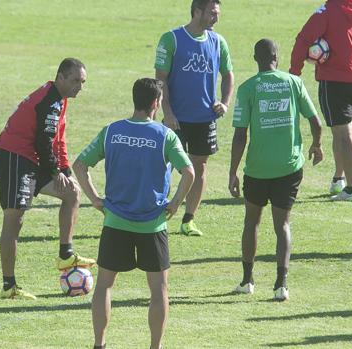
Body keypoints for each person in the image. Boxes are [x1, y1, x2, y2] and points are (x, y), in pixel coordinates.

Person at [73, 78, 195, 349]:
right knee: (159, 289)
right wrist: (175, 203)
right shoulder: (165, 136)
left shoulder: (112, 131)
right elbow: (189, 172)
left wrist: (95, 199)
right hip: (153, 225)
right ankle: (155, 346)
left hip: (115, 221)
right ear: (155, 103)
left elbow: (79, 165)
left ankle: (99, 344)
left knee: (104, 284)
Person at [0, 58, 96, 299]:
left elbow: (58, 140)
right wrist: (54, 171)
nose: (78, 87)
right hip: (15, 159)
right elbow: (43, 141)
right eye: (74, 81)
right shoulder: (49, 101)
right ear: (60, 77)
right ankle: (9, 286)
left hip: (32, 159)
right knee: (14, 219)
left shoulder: (59, 100)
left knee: (72, 193)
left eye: (82, 82)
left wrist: (66, 172)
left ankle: (66, 254)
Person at [229, 39, 323, 301]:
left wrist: (232, 172)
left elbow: (240, 135)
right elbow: (316, 122)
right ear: (276, 58)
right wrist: (317, 146)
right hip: (288, 168)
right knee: (282, 224)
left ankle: (247, 281)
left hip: (257, 169)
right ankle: (281, 284)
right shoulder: (294, 83)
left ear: (255, 58)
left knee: (252, 222)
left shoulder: (248, 88)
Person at [290, 0, 352, 202]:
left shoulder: (327, 11)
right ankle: (339, 179)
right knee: (339, 130)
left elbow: (303, 39)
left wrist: (294, 73)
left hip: (334, 82)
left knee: (345, 134)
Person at [154, 0, 234, 236]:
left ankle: (188, 219)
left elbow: (228, 74)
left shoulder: (218, 42)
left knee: (199, 167)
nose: (216, 18)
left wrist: (225, 102)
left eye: (217, 13)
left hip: (204, 118)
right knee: (164, 166)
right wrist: (167, 112)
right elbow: (161, 79)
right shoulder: (172, 39)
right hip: (175, 119)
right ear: (197, 11)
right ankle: (157, 214)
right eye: (212, 13)